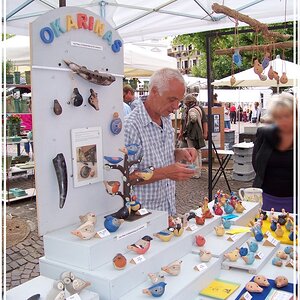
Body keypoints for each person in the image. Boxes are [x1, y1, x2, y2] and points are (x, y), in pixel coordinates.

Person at [124, 68, 197, 215]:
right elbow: (126, 177)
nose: (176, 107)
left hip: (168, 209)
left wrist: (178, 153)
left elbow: (161, 156)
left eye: (179, 101)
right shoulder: (130, 126)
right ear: (154, 92)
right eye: (172, 99)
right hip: (143, 215)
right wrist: (165, 173)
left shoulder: (165, 118)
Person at [252, 93, 294, 213]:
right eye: (278, 117)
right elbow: (256, 163)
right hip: (266, 197)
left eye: (286, 116)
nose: (282, 121)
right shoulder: (263, 133)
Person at [179, 94, 208, 178]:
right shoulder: (190, 109)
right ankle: (186, 170)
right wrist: (181, 133)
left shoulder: (190, 110)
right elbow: (182, 122)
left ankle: (196, 172)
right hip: (191, 134)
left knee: (194, 152)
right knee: (187, 151)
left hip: (191, 134)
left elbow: (200, 120)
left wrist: (205, 133)